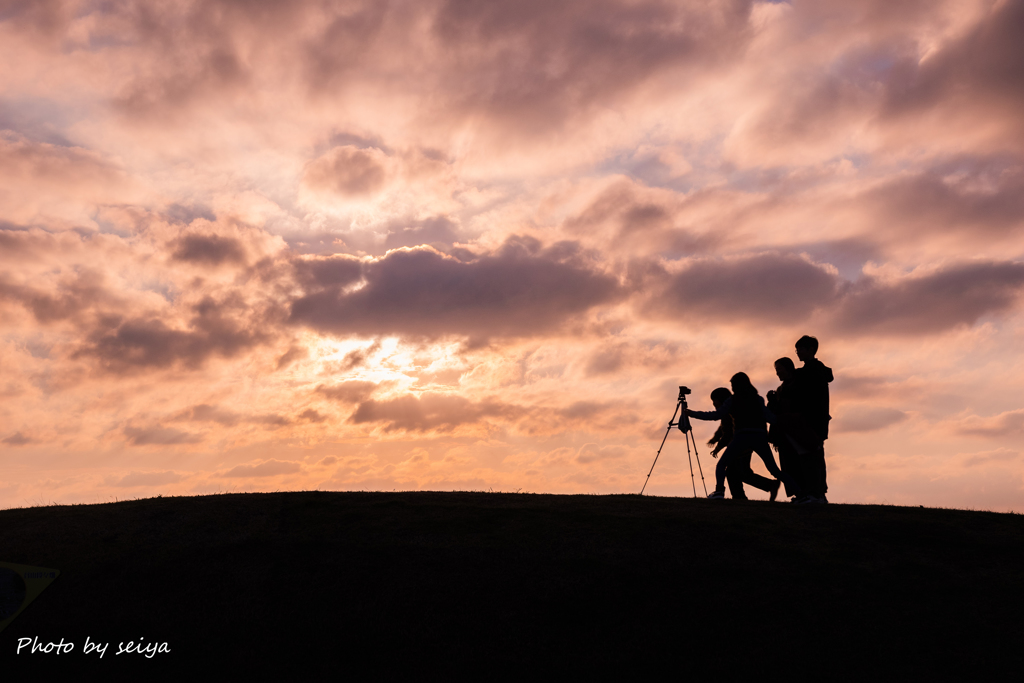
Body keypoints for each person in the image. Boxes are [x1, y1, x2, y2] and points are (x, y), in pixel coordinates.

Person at [687, 372, 802, 501]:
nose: (731, 388)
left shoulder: (732, 400)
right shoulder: (758, 399)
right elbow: (771, 418)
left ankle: (719, 492)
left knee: (721, 465)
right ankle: (801, 495)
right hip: (760, 437)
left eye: (732, 385)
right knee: (774, 470)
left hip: (741, 437)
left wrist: (691, 413)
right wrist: (790, 419)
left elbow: (715, 415)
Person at [698, 387, 777, 501]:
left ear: (721, 400)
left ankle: (745, 494)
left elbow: (727, 432)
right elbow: (723, 429)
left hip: (739, 446)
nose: (713, 403)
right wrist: (715, 439)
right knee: (738, 472)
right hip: (743, 445)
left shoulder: (728, 412)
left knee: (737, 472)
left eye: (714, 400)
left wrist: (718, 448)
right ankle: (741, 496)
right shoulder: (729, 411)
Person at [766, 357, 820, 499]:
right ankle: (800, 493)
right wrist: (772, 402)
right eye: (776, 370)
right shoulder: (781, 389)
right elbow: (775, 412)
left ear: (787, 368)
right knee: (790, 464)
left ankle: (810, 493)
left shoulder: (799, 385)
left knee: (804, 463)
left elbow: (799, 408)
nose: (777, 373)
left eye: (779, 369)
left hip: (799, 429)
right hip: (785, 431)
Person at [793, 335, 833, 503]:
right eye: (797, 350)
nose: (798, 353)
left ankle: (815, 493)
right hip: (817, 420)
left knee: (812, 457)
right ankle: (816, 493)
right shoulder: (816, 370)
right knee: (814, 456)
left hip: (813, 420)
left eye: (800, 349)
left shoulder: (812, 371)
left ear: (811, 350)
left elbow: (810, 399)